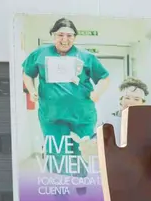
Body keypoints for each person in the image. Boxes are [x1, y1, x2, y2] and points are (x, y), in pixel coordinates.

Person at [22, 18, 111, 183]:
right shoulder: (40, 53)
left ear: (75, 37)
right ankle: (60, 187)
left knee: (82, 151)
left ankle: (82, 186)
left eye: (69, 35)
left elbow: (105, 77)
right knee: (56, 151)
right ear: (52, 35)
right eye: (60, 35)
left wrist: (98, 93)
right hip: (51, 115)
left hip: (82, 115)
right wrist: (32, 90)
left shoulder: (86, 56)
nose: (64, 39)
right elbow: (27, 73)